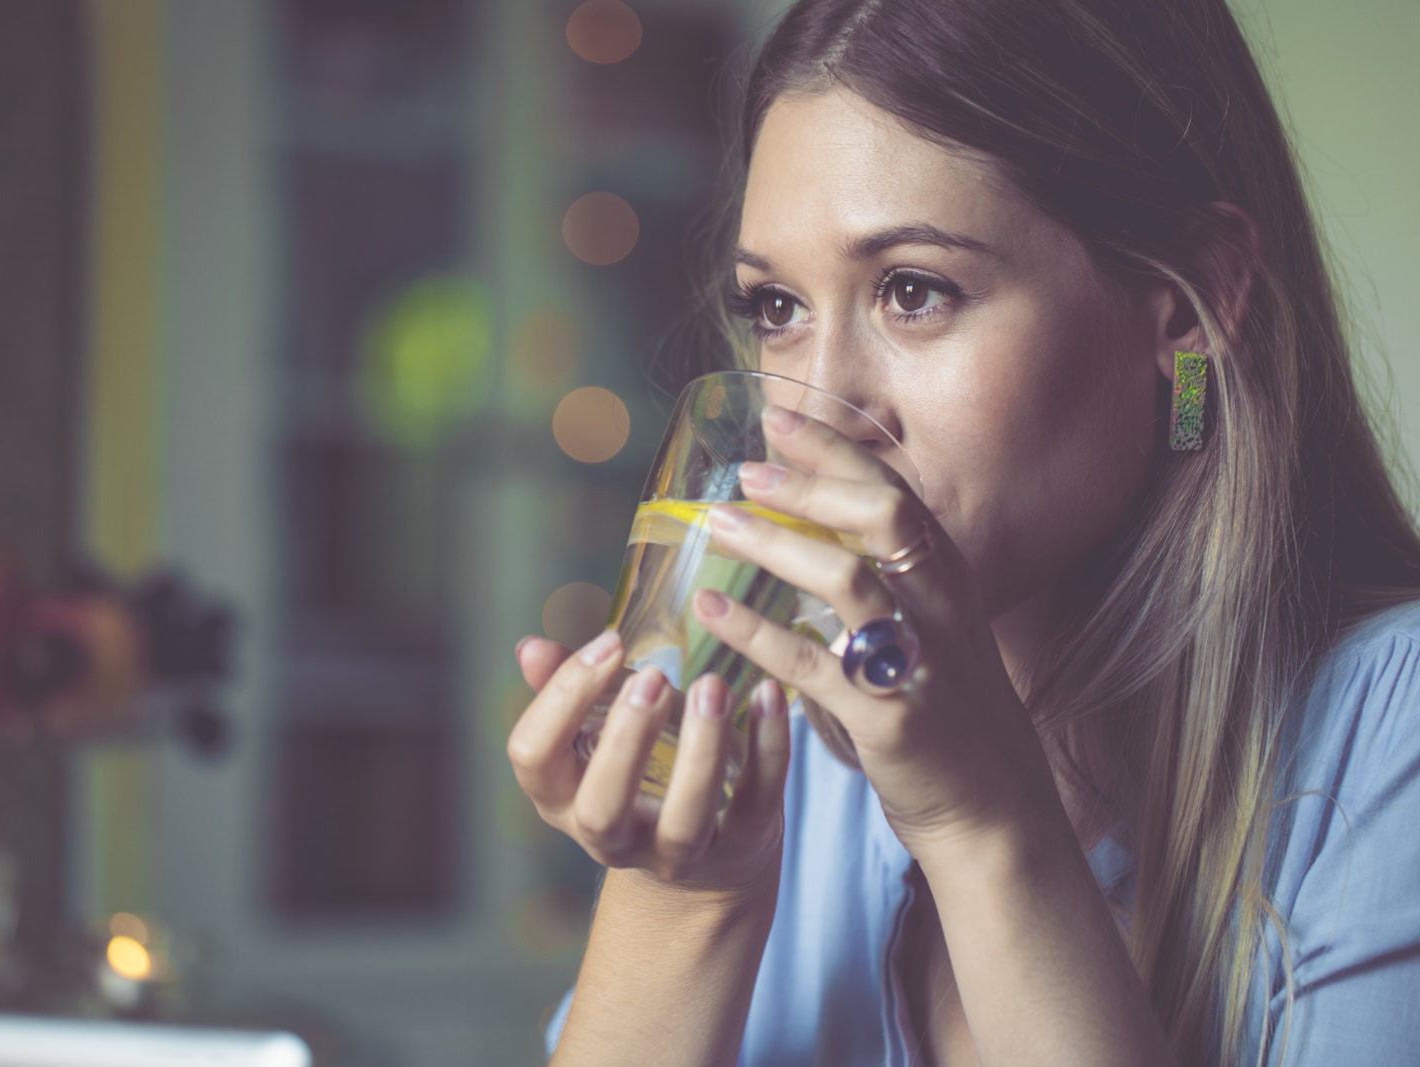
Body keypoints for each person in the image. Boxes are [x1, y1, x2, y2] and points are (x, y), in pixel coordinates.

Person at [507, 0, 1420, 1062]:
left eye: (912, 290)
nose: (809, 411)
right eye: (777, 308)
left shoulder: (1387, 741)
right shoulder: (781, 743)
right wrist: (686, 893)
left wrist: (981, 826)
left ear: (1192, 305)